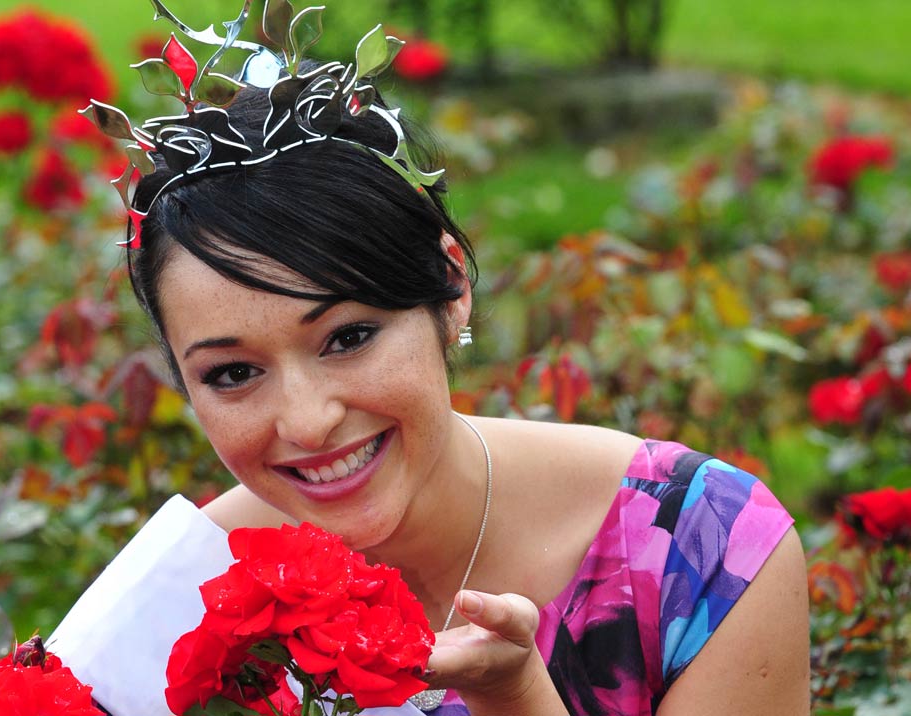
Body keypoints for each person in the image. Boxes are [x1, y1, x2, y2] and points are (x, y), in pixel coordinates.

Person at [57, 2, 810, 714]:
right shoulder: (175, 602)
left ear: (451, 288)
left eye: (348, 337)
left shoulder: (699, 548)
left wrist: (513, 697)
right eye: (232, 373)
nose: (309, 422)